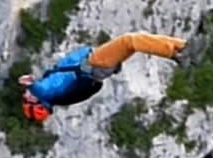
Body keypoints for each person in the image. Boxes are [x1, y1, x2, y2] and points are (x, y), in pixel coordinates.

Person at [19, 32, 188, 122]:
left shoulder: (55, 92)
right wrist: (31, 84)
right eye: (27, 98)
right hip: (94, 64)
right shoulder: (47, 92)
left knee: (132, 43)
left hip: (95, 67)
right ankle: (177, 51)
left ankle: (179, 47)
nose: (25, 95)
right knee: (129, 40)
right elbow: (40, 90)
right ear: (38, 101)